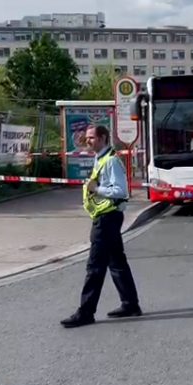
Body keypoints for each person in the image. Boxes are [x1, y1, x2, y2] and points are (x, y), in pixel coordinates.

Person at [61, 125, 142, 328]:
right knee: (116, 262)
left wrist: (96, 188)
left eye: (91, 138)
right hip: (107, 216)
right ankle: (130, 304)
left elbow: (121, 191)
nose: (87, 141)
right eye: (87, 138)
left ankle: (86, 312)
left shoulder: (111, 160)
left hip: (107, 218)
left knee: (95, 266)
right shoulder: (101, 158)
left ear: (103, 138)